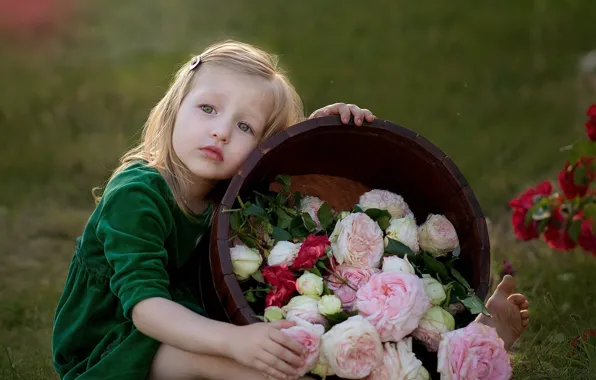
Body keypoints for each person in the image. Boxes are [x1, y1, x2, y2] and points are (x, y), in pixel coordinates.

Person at [51, 39, 529, 380]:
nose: (220, 133)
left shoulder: (227, 190)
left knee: (322, 340)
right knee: (256, 366)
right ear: (176, 107)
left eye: (244, 126)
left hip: (198, 318)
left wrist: (323, 132)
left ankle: (472, 345)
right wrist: (236, 342)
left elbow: (283, 173)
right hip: (114, 344)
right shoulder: (138, 195)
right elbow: (147, 310)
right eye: (208, 109)